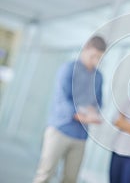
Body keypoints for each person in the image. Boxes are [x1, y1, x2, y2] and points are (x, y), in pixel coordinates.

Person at [33, 36, 106, 183]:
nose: (95, 60)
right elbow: (62, 100)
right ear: (85, 49)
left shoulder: (98, 77)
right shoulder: (68, 68)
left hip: (81, 136)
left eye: (99, 57)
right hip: (59, 130)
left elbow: (99, 103)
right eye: (93, 56)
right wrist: (83, 116)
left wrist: (94, 114)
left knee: (70, 178)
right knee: (45, 174)